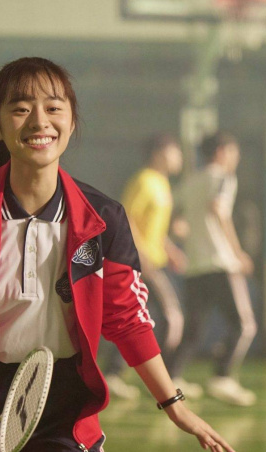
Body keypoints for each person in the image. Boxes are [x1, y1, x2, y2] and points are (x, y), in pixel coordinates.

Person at [0, 57, 234, 452]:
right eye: (21, 109)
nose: (40, 122)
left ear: (71, 123)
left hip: (68, 411)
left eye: (54, 108)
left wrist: (175, 406)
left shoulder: (103, 220)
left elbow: (128, 319)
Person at [166, 132, 258, 407]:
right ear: (221, 151)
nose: (236, 158)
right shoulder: (223, 177)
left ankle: (171, 379)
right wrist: (237, 252)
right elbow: (218, 209)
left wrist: (189, 236)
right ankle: (222, 377)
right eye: (234, 152)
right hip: (220, 262)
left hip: (195, 266)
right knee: (244, 325)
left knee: (193, 328)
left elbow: (174, 218)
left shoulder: (191, 181)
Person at [102, 134, 187, 400]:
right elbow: (126, 217)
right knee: (171, 318)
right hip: (141, 263)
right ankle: (161, 378)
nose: (179, 157)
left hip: (154, 261)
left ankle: (119, 373)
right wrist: (139, 253)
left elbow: (154, 228)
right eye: (175, 151)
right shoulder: (144, 180)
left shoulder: (162, 184)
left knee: (143, 318)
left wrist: (170, 250)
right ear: (160, 152)